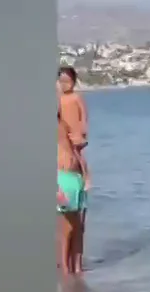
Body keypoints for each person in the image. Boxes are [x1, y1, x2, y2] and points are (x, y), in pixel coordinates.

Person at [58, 65, 91, 272]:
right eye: (61, 81)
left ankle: (75, 266)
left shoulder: (77, 98)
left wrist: (81, 135)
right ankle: (66, 266)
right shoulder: (59, 103)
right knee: (67, 224)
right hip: (64, 155)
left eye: (67, 81)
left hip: (76, 145)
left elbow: (84, 119)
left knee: (77, 219)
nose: (64, 85)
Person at [58, 110, 87, 278]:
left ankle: (77, 268)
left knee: (78, 227)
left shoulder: (63, 125)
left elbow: (76, 147)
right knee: (67, 228)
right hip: (63, 179)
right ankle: (65, 270)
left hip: (76, 178)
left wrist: (86, 175)